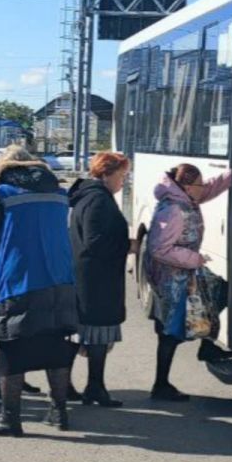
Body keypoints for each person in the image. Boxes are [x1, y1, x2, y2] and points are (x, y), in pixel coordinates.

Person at [0, 145, 78, 436]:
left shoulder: (5, 194)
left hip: (17, 281)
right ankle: (59, 412)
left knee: (11, 348)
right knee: (56, 344)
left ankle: (9, 417)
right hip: (59, 279)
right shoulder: (59, 195)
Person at [143, 163, 231, 401]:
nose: (203, 189)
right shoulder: (173, 209)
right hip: (171, 279)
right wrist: (195, 259)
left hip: (184, 273)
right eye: (199, 185)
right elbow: (158, 248)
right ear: (186, 186)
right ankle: (161, 385)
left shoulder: (186, 199)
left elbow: (211, 188)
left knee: (220, 291)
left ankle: (207, 345)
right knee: (170, 332)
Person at [68, 151, 133, 407]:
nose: (123, 181)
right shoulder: (98, 200)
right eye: (122, 175)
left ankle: (78, 386)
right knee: (96, 335)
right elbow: (95, 242)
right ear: (107, 173)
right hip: (96, 280)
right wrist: (128, 245)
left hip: (89, 277)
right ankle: (93, 387)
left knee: (82, 335)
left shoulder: (90, 195)